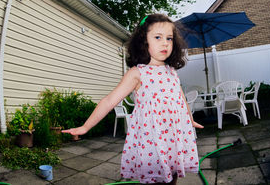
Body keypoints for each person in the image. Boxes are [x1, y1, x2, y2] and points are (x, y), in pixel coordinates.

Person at [62, 14, 204, 184]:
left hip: (173, 136)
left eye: (169, 38)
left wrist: (189, 119)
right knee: (156, 178)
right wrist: (85, 127)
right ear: (144, 41)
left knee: (172, 175)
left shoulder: (171, 72)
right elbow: (109, 101)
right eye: (158, 37)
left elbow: (180, 98)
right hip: (153, 139)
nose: (165, 42)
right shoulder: (137, 73)